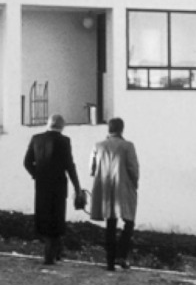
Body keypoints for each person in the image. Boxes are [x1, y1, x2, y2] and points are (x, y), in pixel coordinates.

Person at [23, 114, 82, 265]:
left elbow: (27, 162)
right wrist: (77, 186)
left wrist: (37, 175)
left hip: (42, 185)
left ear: (48, 124)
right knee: (56, 218)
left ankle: (56, 251)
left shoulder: (36, 138)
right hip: (58, 185)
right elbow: (69, 165)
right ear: (62, 126)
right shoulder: (64, 141)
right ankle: (51, 254)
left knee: (44, 216)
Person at [89, 117, 140, 271]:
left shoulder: (98, 146)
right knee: (129, 222)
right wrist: (135, 184)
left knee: (110, 224)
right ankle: (121, 255)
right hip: (124, 188)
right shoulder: (128, 146)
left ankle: (110, 262)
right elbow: (133, 169)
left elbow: (91, 169)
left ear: (108, 129)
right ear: (121, 129)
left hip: (105, 189)